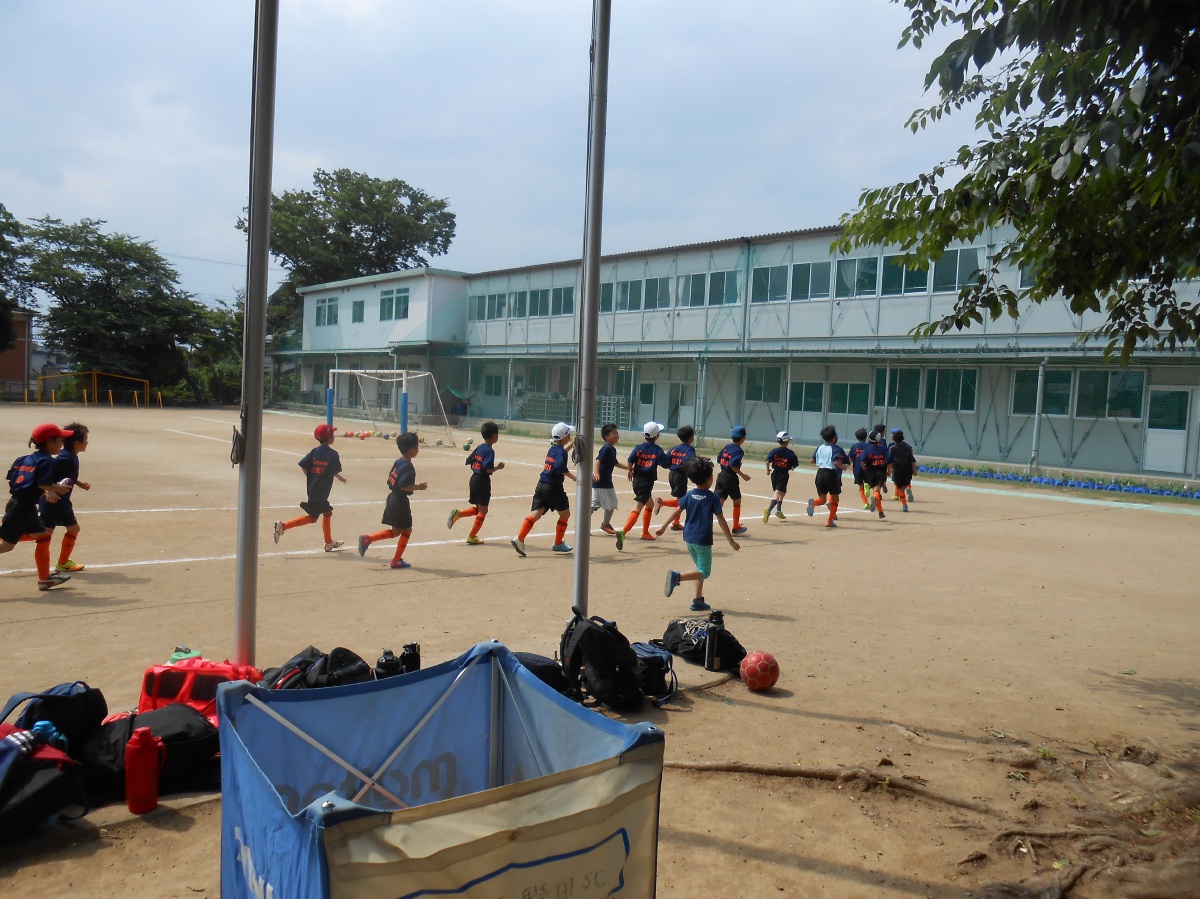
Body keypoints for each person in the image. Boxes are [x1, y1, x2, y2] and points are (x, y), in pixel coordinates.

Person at [659, 457, 740, 612]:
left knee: (698, 569)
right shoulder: (713, 498)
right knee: (704, 572)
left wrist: (663, 527)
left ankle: (698, 600)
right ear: (710, 478)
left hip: (689, 538)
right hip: (702, 540)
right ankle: (677, 577)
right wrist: (731, 541)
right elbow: (721, 520)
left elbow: (677, 511)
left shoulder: (689, 495)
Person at [1, 423, 74, 590]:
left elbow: (16, 482)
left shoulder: (23, 459)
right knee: (7, 545)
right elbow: (43, 483)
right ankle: (44, 578)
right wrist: (58, 488)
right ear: (49, 442)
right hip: (22, 508)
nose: (62, 443)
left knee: (43, 535)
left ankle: (44, 579)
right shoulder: (47, 461)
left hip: (20, 504)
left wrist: (40, 492)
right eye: (59, 440)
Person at [358, 432, 427, 569]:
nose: (417, 449)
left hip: (392, 498)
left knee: (396, 531)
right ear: (411, 449)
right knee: (407, 529)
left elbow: (391, 480)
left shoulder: (398, 462)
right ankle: (396, 559)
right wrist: (418, 487)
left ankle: (368, 539)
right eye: (416, 447)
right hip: (400, 501)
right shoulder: (409, 467)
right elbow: (403, 486)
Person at [274, 423, 347, 551]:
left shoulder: (314, 451)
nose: (334, 436)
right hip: (322, 491)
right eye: (333, 434)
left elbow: (303, 465)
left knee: (327, 511)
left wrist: (312, 477)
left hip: (313, 488)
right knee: (313, 518)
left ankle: (328, 542)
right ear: (330, 437)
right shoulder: (333, 454)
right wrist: (340, 478)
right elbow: (333, 470)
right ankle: (283, 526)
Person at [512, 422, 577, 557]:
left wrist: (572, 445)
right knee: (565, 514)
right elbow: (559, 467)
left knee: (536, 513)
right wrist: (574, 478)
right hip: (553, 487)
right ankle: (558, 543)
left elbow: (560, 455)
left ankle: (519, 538)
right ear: (565, 437)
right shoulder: (561, 453)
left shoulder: (553, 449)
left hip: (541, 485)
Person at [39, 422, 90, 574]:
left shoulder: (69, 456)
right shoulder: (65, 458)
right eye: (86, 439)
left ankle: (8, 538)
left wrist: (78, 483)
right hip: (57, 502)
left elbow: (65, 475)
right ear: (76, 443)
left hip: (52, 502)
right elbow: (45, 476)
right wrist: (49, 491)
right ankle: (63, 563)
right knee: (74, 529)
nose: (87, 442)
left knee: (44, 532)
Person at [448, 420, 506, 544]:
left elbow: (469, 460)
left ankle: (459, 514)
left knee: (479, 509)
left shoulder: (480, 447)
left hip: (474, 479)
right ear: (494, 435)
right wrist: (498, 467)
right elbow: (488, 469)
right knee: (483, 511)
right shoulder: (490, 451)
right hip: (482, 481)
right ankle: (472, 536)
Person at [617, 421, 670, 548]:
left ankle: (645, 532)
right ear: (657, 436)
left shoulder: (638, 447)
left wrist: (630, 470)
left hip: (636, 481)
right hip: (646, 482)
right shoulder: (657, 450)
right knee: (637, 507)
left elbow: (630, 459)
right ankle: (623, 532)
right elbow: (665, 464)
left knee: (650, 504)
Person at [805, 425, 850, 528]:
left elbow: (812, 460)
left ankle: (813, 504)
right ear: (834, 438)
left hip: (820, 473)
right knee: (834, 498)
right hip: (831, 474)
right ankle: (829, 521)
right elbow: (837, 461)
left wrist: (822, 461)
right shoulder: (836, 449)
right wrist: (843, 467)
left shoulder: (820, 447)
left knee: (822, 499)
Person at [654, 425, 695, 532]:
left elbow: (665, 462)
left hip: (672, 474)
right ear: (691, 438)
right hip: (680, 475)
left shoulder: (674, 448)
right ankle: (662, 502)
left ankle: (676, 523)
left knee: (679, 499)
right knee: (681, 501)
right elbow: (689, 462)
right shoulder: (690, 450)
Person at [590, 423, 627, 536]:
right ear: (606, 436)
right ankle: (605, 524)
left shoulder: (612, 449)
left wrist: (628, 468)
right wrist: (596, 472)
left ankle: (582, 524)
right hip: (603, 482)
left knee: (594, 504)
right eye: (614, 434)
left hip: (599, 482)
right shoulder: (606, 448)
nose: (617, 435)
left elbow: (615, 463)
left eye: (617, 433)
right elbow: (598, 460)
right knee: (611, 503)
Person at [715, 425, 751, 535]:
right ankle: (736, 527)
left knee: (718, 502)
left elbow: (719, 459)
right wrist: (743, 475)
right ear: (743, 438)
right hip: (730, 477)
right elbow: (732, 465)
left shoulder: (727, 447)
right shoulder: (739, 451)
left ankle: (704, 523)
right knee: (736, 501)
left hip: (721, 476)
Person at [763, 430, 799, 522]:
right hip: (783, 474)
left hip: (774, 474)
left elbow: (767, 461)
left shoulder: (774, 451)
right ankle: (769, 510)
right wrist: (792, 467)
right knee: (778, 493)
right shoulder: (790, 453)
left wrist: (767, 469)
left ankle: (778, 510)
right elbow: (794, 465)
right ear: (787, 441)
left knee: (782, 492)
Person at [859, 429, 892, 520]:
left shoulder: (867, 449)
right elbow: (889, 461)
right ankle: (878, 507)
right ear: (879, 439)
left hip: (870, 472)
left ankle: (881, 512)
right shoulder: (883, 449)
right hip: (881, 472)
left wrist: (864, 467)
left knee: (875, 489)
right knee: (877, 491)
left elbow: (861, 459)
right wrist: (889, 471)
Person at [889, 428, 917, 510]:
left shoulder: (892, 449)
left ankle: (905, 505)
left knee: (900, 488)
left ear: (894, 438)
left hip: (897, 470)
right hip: (908, 469)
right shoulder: (908, 448)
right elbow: (912, 460)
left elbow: (890, 461)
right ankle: (908, 488)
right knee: (907, 482)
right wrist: (914, 470)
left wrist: (890, 470)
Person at [848, 427, 871, 509]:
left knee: (860, 487)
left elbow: (850, 458)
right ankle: (868, 486)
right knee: (869, 482)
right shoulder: (869, 445)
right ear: (866, 437)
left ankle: (866, 503)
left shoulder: (854, 446)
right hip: (867, 468)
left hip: (857, 469)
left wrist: (852, 463)